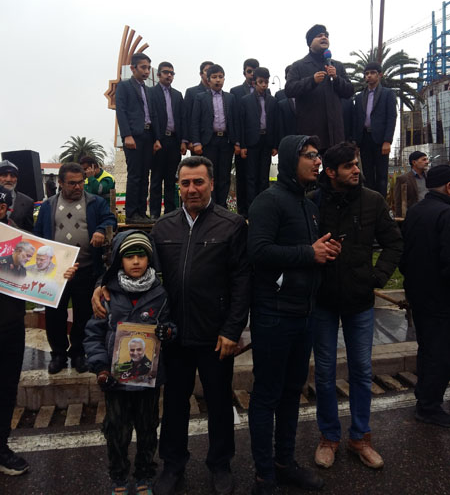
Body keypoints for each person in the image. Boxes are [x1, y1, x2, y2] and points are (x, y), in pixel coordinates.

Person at [92, 156, 250, 495]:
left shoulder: (232, 225)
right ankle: (173, 464)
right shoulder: (163, 227)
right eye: (185, 183)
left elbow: (242, 282)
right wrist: (102, 284)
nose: (192, 189)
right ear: (178, 186)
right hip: (170, 334)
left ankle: (220, 464)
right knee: (175, 404)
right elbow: (134, 266)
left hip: (215, 334)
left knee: (219, 402)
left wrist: (232, 330)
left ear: (211, 184)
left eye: (198, 182)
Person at [247, 134, 340, 495]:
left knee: (291, 394)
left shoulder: (309, 205)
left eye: (318, 155)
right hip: (274, 315)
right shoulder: (268, 202)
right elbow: (258, 252)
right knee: (267, 395)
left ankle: (285, 463)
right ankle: (264, 476)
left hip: (304, 315)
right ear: (290, 159)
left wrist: (324, 252)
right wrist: (308, 253)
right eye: (310, 155)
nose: (317, 161)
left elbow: (306, 252)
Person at [311, 142, 402, 470]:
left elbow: (394, 243)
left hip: (360, 301)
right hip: (322, 301)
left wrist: (376, 277)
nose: (356, 170)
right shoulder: (312, 202)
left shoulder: (373, 200)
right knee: (324, 372)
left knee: (362, 370)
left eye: (356, 164)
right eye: (349, 165)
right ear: (331, 172)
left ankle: (360, 437)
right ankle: (329, 436)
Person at [84, 230, 176, 494]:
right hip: (115, 381)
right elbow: (93, 334)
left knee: (148, 429)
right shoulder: (107, 294)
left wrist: (168, 332)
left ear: (149, 259)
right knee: (116, 430)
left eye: (141, 256)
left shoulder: (160, 294)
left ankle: (145, 474)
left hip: (148, 380)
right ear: (119, 260)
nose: (136, 261)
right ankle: (119, 477)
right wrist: (101, 368)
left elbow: (170, 326)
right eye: (129, 256)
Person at [0, 185, 77, 476]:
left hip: (10, 328)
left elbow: (40, 277)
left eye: (1, 206)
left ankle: (1, 448)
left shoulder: (19, 241)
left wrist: (61, 274)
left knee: (7, 389)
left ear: (5, 208)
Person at [34, 162, 116, 374]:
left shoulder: (95, 202)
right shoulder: (48, 205)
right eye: (72, 183)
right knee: (54, 314)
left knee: (84, 314)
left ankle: (79, 353)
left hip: (86, 269)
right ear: (61, 183)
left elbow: (110, 218)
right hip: (56, 272)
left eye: (81, 182)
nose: (78, 187)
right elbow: (38, 233)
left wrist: (100, 230)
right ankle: (59, 354)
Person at [400, 165, 450, 428]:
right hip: (441, 298)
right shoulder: (446, 213)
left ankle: (424, 396)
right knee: (441, 353)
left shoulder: (416, 210)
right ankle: (429, 406)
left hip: (418, 293)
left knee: (428, 348)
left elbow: (405, 253)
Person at [286, 24, 353, 152]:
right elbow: (289, 89)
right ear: (310, 43)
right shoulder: (298, 66)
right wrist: (312, 80)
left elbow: (349, 91)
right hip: (312, 135)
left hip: (335, 136)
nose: (324, 37)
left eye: (326, 35)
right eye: (319, 35)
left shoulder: (337, 66)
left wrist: (337, 78)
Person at [115, 52, 162, 223]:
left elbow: (154, 115)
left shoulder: (148, 90)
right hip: (133, 136)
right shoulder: (124, 86)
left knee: (144, 175)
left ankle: (142, 212)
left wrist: (157, 139)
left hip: (149, 136)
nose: (146, 71)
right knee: (135, 175)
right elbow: (121, 111)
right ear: (133, 68)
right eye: (143, 67)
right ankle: (132, 213)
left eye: (148, 68)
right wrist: (127, 135)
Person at [191, 65, 239, 208]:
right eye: (214, 77)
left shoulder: (230, 98)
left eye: (220, 77)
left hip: (226, 141)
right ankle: (210, 206)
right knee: (210, 174)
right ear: (208, 79)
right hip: (209, 141)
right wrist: (196, 142)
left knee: (224, 175)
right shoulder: (200, 97)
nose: (218, 80)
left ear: (224, 78)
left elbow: (235, 121)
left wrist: (237, 142)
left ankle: (222, 206)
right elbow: (195, 120)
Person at [149, 62, 187, 220]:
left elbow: (183, 119)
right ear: (158, 75)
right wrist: (155, 139)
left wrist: (183, 141)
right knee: (156, 178)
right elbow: (151, 117)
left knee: (171, 179)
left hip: (174, 141)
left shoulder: (178, 95)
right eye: (165, 72)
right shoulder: (151, 92)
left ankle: (171, 214)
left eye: (172, 73)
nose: (169, 75)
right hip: (159, 140)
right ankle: (154, 213)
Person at [353, 61, 397, 197]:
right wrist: (356, 143)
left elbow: (391, 117)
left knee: (382, 176)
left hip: (380, 140)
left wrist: (387, 141)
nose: (369, 76)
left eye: (372, 73)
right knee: (367, 175)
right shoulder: (359, 97)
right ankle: (370, 203)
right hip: (364, 139)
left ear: (380, 75)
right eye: (366, 73)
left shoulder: (388, 94)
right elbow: (357, 119)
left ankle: (381, 204)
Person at [240, 67, 278, 206]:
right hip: (251, 142)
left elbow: (275, 123)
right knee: (251, 177)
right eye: (261, 82)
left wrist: (275, 145)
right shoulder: (245, 101)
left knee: (264, 177)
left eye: (266, 82)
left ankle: (264, 206)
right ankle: (251, 207)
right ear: (254, 82)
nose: (264, 85)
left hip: (266, 141)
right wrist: (242, 145)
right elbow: (242, 124)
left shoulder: (272, 101)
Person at [230, 58, 260, 217]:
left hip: (259, 142)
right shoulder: (236, 92)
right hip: (242, 142)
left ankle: (259, 210)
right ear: (244, 73)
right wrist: (238, 142)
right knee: (242, 177)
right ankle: (242, 212)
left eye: (255, 71)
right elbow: (235, 119)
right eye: (249, 71)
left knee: (259, 178)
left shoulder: (265, 91)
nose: (252, 74)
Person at [184, 61, 214, 146]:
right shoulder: (191, 92)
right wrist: (189, 140)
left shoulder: (220, 94)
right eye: (207, 70)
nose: (209, 73)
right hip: (198, 140)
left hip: (217, 139)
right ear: (201, 74)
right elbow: (187, 117)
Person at [0, 160, 34, 232]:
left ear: (16, 179)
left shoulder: (27, 202)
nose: (8, 179)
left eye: (12, 176)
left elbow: (29, 232)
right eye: (4, 175)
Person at [394, 151, 429, 217]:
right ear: (414, 162)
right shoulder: (403, 179)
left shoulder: (429, 176)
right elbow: (398, 202)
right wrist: (400, 219)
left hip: (429, 213)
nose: (427, 162)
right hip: (414, 216)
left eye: (427, 159)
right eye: (424, 160)